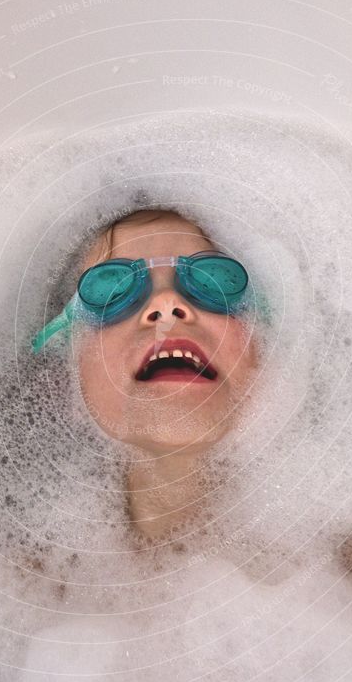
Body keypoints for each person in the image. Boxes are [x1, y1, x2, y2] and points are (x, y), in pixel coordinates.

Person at [33, 208, 265, 539]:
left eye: (213, 279)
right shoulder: (23, 575)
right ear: (66, 379)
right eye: (111, 290)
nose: (167, 302)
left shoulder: (347, 556)